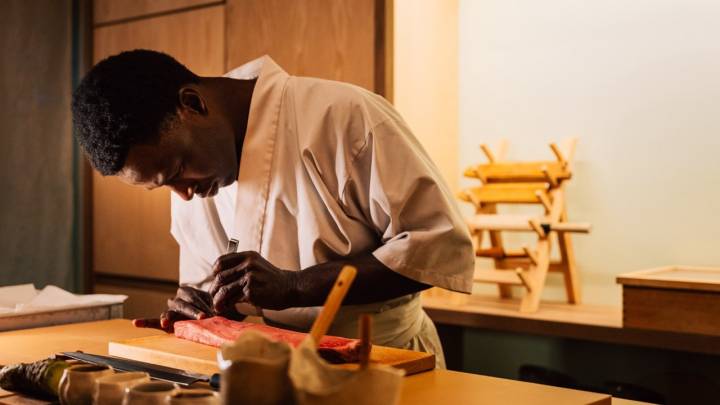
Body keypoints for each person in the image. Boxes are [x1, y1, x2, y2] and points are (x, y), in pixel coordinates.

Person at [72, 50, 473, 368]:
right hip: (271, 367)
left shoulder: (343, 115)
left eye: (178, 170)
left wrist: (296, 287)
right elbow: (204, 284)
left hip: (387, 360)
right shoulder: (192, 183)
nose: (184, 195)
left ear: (191, 104)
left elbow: (434, 247)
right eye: (165, 186)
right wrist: (197, 305)